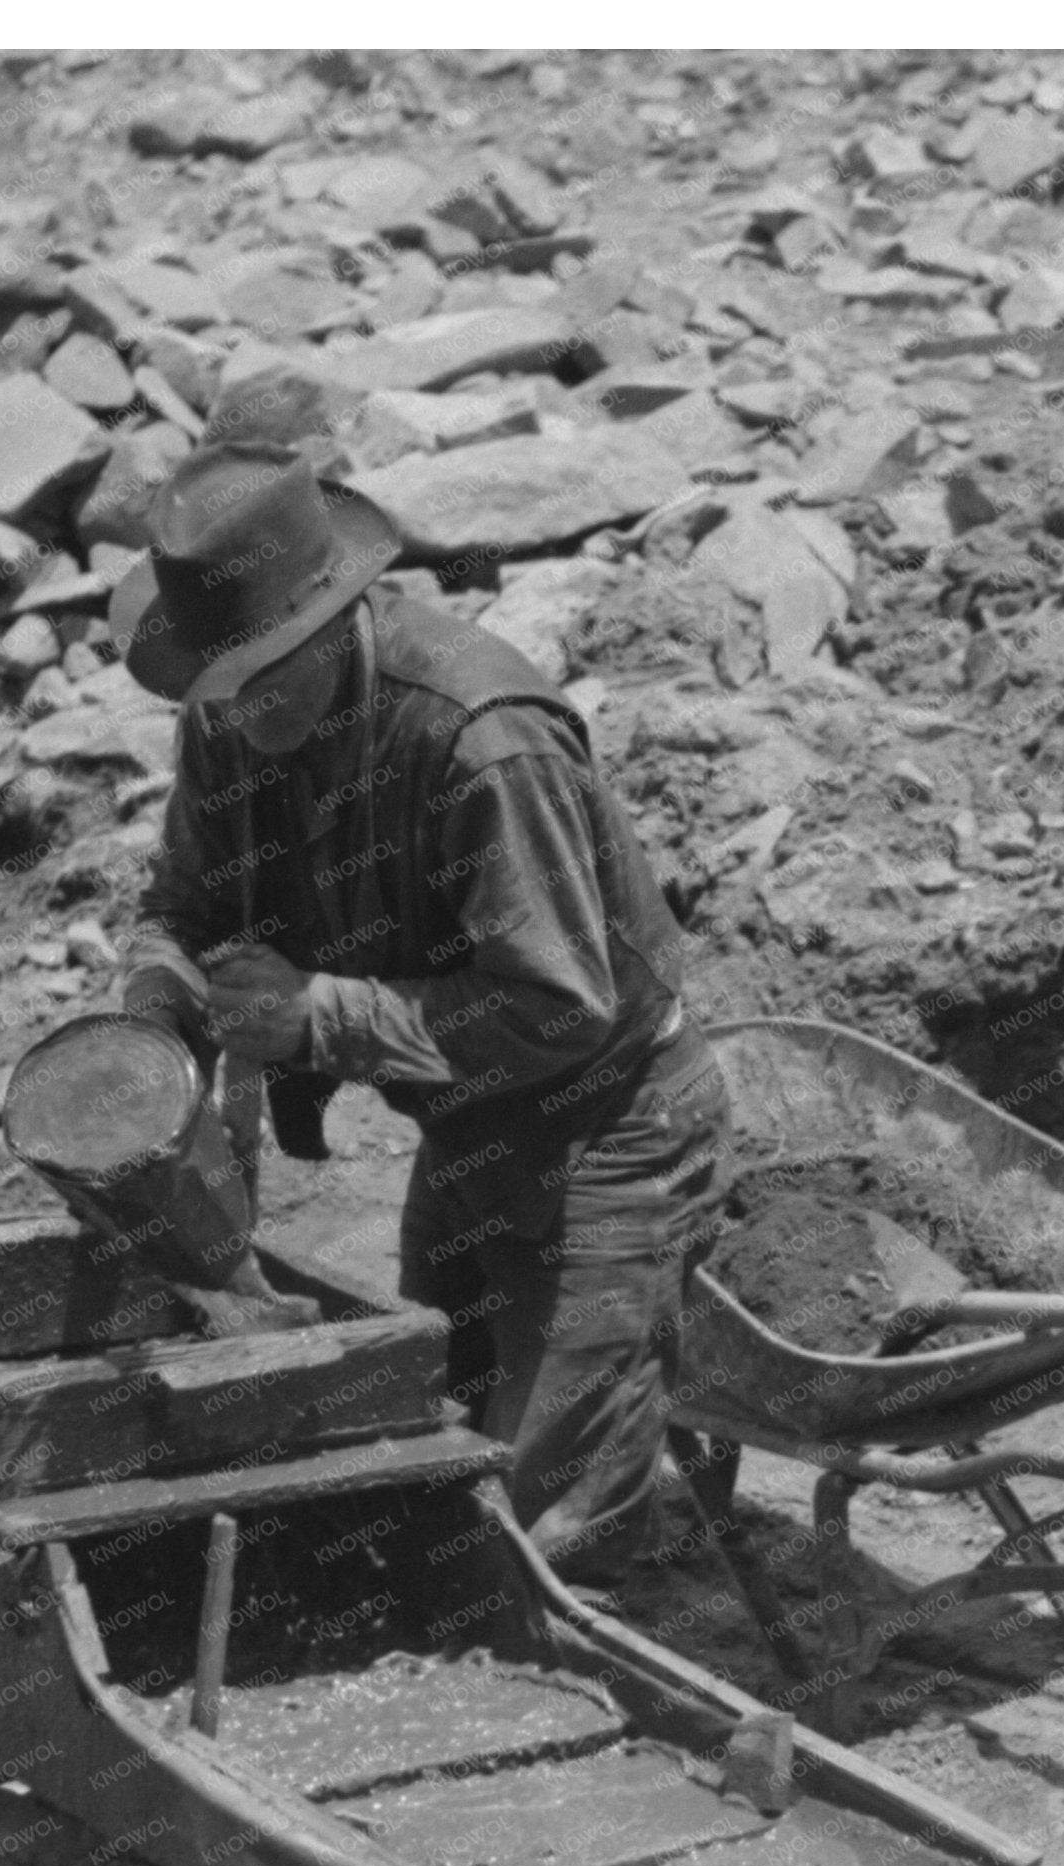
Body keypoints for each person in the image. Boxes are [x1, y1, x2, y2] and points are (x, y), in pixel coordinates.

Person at [108, 442, 727, 1588]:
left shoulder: (479, 736)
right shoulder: (226, 709)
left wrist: (320, 1016)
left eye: (266, 679)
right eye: (219, 690)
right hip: (464, 1117)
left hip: (605, 1125)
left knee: (549, 1525)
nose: (239, 719)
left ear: (336, 618)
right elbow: (182, 903)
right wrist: (158, 1000)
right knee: (426, 1440)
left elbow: (561, 1008)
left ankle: (585, 1715)